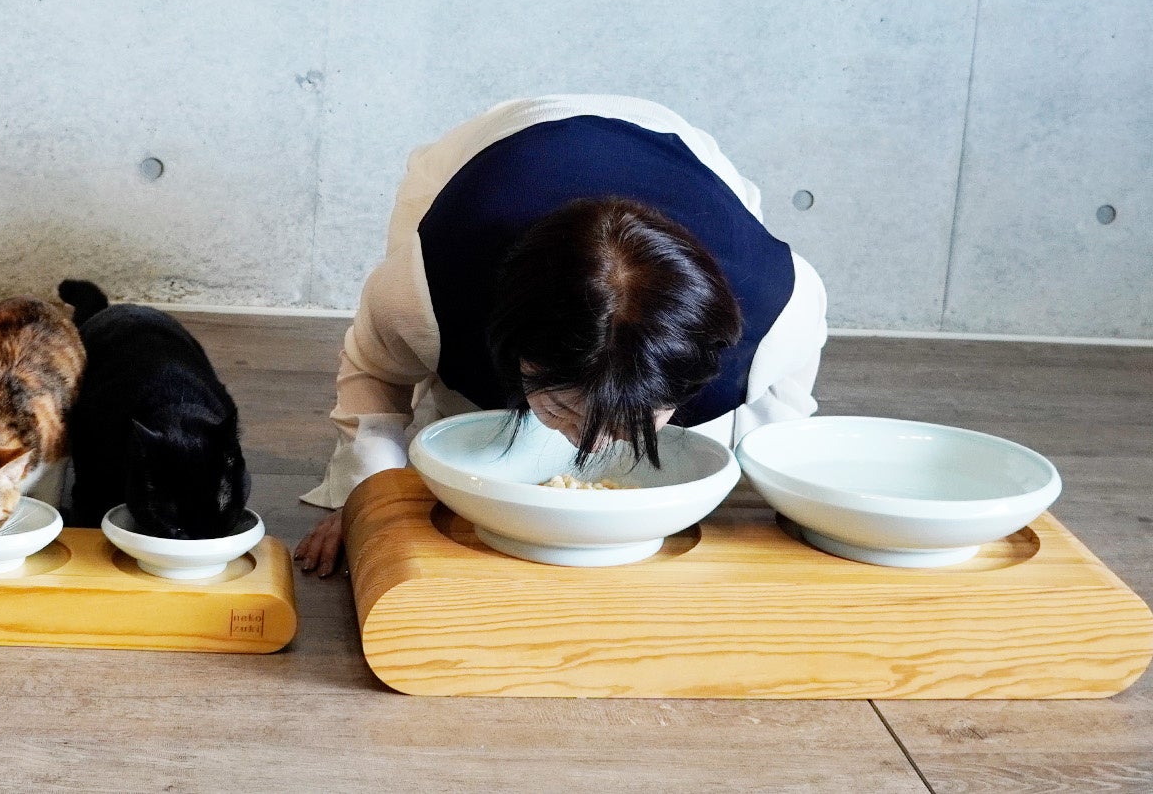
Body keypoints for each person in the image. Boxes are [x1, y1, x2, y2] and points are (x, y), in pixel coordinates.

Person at [293, 95, 827, 575]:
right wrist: (367, 500)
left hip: (685, 161)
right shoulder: (425, 285)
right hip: (485, 159)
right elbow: (376, 374)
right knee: (458, 428)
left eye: (630, 421)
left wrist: (775, 498)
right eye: (563, 410)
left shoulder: (780, 312)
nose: (587, 445)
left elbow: (779, 412)